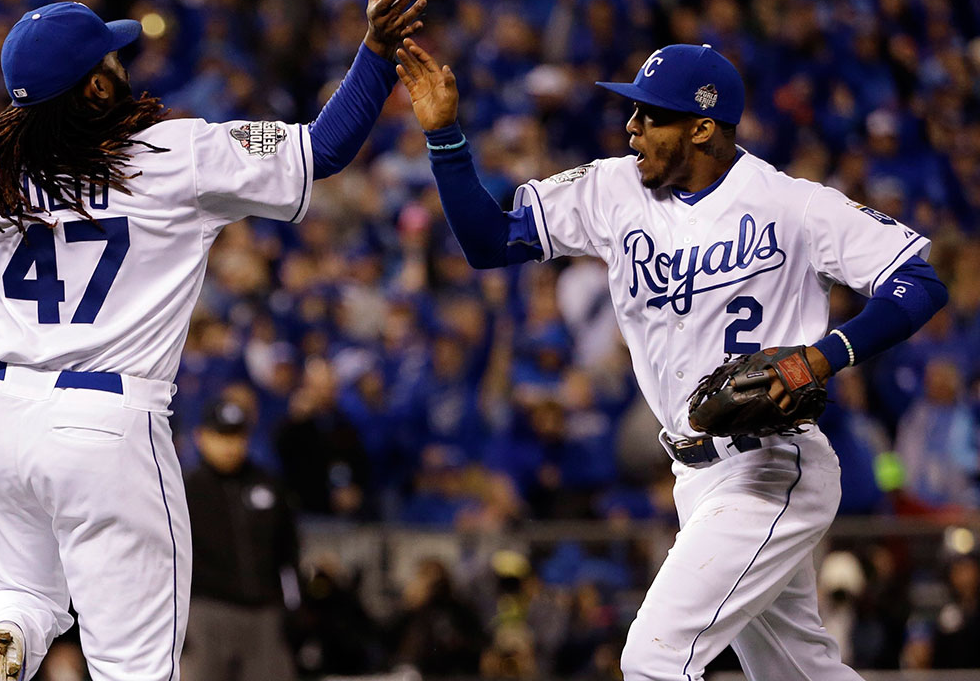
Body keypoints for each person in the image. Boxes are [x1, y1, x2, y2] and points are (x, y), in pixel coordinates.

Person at [0, 0, 426, 680]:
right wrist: (377, 53)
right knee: (136, 666)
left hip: (0, 418)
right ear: (98, 89)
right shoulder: (171, 155)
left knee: (19, 596)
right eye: (113, 60)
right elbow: (322, 150)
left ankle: (2, 642)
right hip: (109, 422)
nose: (124, 64)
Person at [395, 40, 948, 680]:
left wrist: (817, 361)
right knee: (801, 674)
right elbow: (490, 242)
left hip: (769, 468)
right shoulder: (612, 189)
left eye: (651, 116)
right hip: (695, 475)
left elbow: (920, 281)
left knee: (653, 659)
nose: (632, 128)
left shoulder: (792, 204)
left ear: (703, 128)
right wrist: (444, 137)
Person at [182, 398, 300, 681]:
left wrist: (293, 607)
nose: (229, 445)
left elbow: (289, 552)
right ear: (201, 437)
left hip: (264, 613)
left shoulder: (268, 485)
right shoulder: (185, 489)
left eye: (236, 435)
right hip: (204, 611)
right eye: (221, 435)